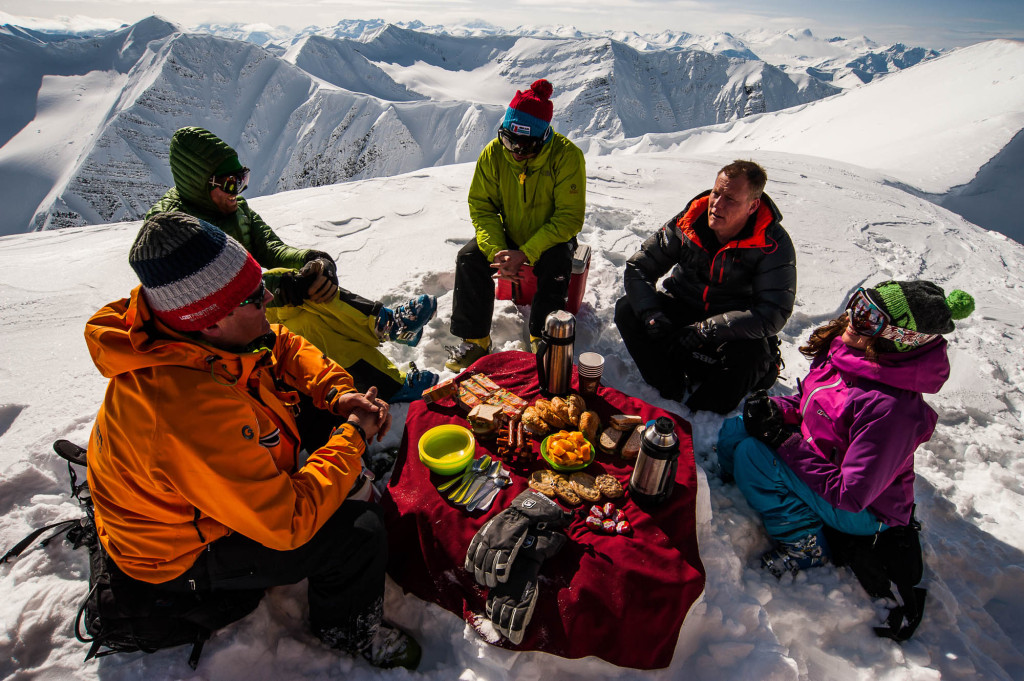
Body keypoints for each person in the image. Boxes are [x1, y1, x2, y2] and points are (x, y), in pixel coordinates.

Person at [83, 212, 421, 669]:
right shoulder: (184, 408)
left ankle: (343, 470)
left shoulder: (184, 334)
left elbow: (281, 344)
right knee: (358, 534)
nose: (267, 297)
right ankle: (349, 631)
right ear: (210, 321)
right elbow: (287, 522)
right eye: (251, 297)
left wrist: (337, 394)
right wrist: (354, 437)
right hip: (177, 554)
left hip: (208, 487)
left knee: (320, 416)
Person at [146, 126, 437, 403]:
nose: (238, 191)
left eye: (242, 179)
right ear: (199, 183)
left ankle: (389, 357)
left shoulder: (236, 209)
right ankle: (387, 338)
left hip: (255, 304)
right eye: (230, 184)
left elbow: (272, 248)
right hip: (221, 329)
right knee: (306, 322)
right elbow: (209, 293)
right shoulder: (174, 229)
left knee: (307, 294)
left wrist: (313, 260)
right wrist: (283, 286)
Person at [717, 280, 974, 577]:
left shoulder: (892, 411)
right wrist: (777, 410)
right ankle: (747, 482)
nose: (853, 318)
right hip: (823, 460)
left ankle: (805, 546)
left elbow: (851, 495)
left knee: (754, 454)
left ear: (898, 337)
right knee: (737, 430)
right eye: (860, 304)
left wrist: (783, 442)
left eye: (870, 318)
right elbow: (813, 402)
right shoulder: (850, 353)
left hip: (864, 512)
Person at [614, 160, 796, 414]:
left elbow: (772, 314)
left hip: (729, 331)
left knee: (753, 357)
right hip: (681, 313)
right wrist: (652, 315)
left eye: (730, 199)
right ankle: (669, 387)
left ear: (753, 206)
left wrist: (705, 331)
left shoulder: (772, 244)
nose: (717, 205)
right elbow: (639, 268)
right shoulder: (690, 221)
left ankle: (700, 415)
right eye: (716, 193)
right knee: (627, 309)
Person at [446, 79, 586, 371]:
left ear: (545, 136)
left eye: (526, 146)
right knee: (469, 258)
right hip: (508, 233)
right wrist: (497, 249)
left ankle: (542, 336)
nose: (516, 152)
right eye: (509, 142)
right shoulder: (493, 154)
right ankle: (476, 339)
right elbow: (483, 207)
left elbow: (568, 218)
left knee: (557, 261)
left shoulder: (567, 157)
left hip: (550, 236)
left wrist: (527, 252)